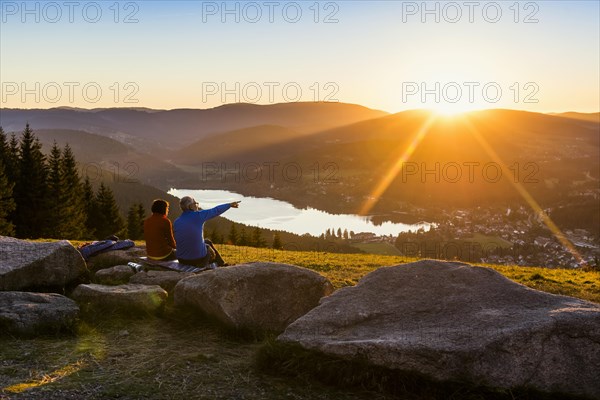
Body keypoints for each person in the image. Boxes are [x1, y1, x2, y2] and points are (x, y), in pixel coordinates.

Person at [174, 196, 240, 267]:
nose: (197, 205)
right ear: (190, 206)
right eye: (195, 203)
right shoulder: (198, 215)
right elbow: (216, 210)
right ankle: (216, 265)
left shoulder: (177, 221)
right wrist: (229, 205)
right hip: (197, 260)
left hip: (181, 260)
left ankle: (221, 263)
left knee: (207, 242)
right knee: (208, 249)